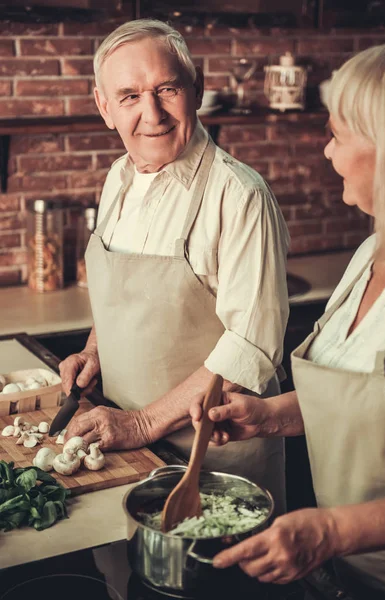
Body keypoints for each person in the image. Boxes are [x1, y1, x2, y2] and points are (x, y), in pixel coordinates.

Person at [190, 42, 385, 600]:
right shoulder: (371, 254)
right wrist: (267, 417)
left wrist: (331, 530)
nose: (326, 152)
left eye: (337, 135)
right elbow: (364, 395)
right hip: (344, 576)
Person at [59, 19, 290, 516]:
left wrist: (142, 424)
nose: (152, 114)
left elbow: (250, 348)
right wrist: (95, 350)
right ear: (104, 108)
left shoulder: (240, 195)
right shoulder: (119, 176)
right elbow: (126, 291)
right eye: (129, 96)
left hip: (214, 464)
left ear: (197, 89)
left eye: (167, 88)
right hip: (126, 451)